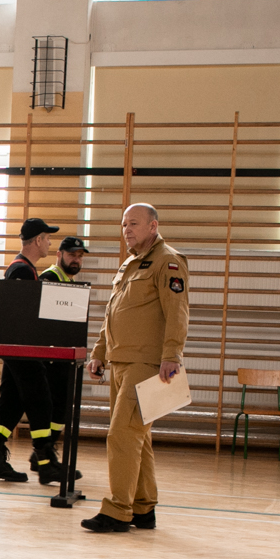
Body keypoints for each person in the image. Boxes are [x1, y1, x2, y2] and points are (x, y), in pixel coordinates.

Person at [84, 203, 189, 533]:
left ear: (153, 226)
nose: (126, 230)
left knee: (122, 435)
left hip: (147, 363)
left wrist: (172, 355)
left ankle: (118, 510)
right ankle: (143, 508)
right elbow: (113, 313)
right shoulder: (130, 263)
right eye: (123, 224)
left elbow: (177, 312)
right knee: (137, 438)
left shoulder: (168, 261)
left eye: (134, 223)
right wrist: (99, 352)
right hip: (120, 361)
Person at [0, 218, 63, 484]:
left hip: (14, 348)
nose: (50, 243)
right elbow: (18, 314)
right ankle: (46, 462)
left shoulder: (24, 268)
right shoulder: (22, 270)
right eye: (47, 238)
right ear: (38, 240)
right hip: (21, 348)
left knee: (12, 401)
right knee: (41, 400)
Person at [38, 236, 91, 484]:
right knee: (52, 407)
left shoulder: (67, 281)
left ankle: (44, 455)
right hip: (50, 358)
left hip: (63, 356)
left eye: (80, 256)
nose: (76, 260)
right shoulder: (49, 278)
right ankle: (44, 457)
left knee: (60, 408)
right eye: (72, 255)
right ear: (59, 255)